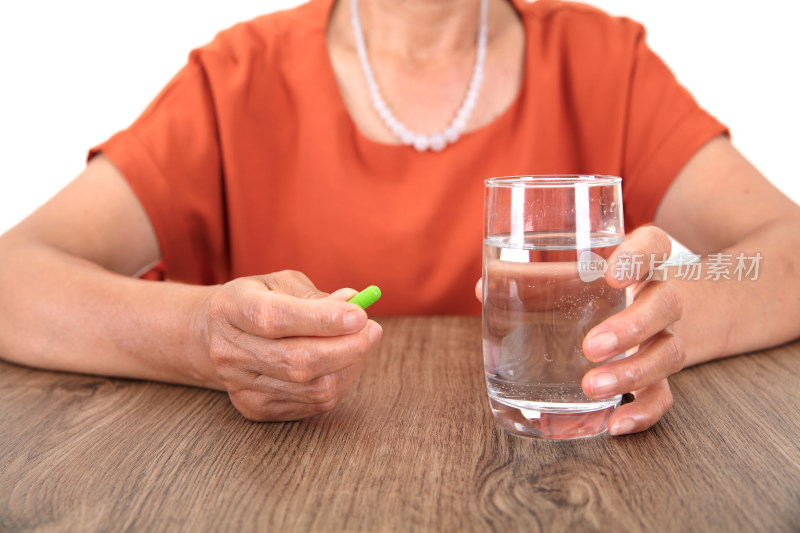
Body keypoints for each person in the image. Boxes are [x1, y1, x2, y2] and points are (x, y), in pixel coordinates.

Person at [0, 0, 798, 434]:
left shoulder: (606, 63)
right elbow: (14, 276)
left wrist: (673, 312)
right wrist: (199, 333)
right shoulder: (237, 78)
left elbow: (784, 252)